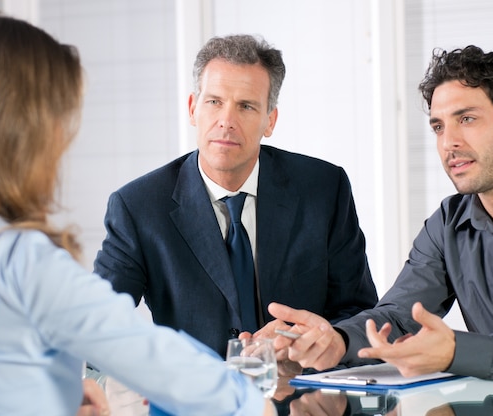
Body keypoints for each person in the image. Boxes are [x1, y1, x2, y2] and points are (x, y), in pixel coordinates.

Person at [0, 9, 277, 416]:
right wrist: (251, 405)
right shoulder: (16, 257)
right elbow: (139, 349)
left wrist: (58, 395)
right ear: (21, 132)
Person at [267, 45, 493, 382]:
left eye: (466, 119)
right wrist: (337, 340)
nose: (448, 142)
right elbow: (399, 316)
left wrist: (457, 352)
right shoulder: (448, 223)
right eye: (438, 127)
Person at [93, 34, 378, 357]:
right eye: (214, 102)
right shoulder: (139, 207)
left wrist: (323, 341)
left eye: (245, 106)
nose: (226, 122)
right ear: (192, 109)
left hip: (303, 397)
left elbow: (359, 315)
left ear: (269, 120)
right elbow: (96, 326)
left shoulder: (324, 188)